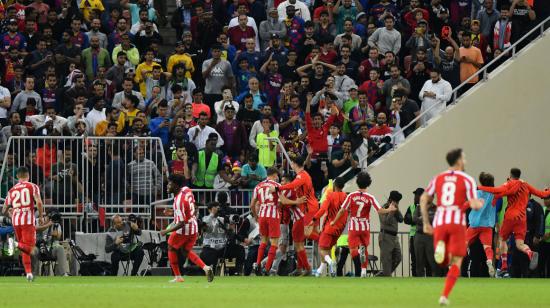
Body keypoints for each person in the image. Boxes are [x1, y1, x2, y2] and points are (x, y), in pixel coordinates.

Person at [420, 148, 484, 306]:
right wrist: (479, 203)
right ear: (458, 161)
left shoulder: (438, 178)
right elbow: (474, 204)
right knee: (456, 262)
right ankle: (444, 296)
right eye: (464, 158)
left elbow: (424, 198)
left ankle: (443, 254)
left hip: (440, 220)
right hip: (456, 221)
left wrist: (426, 223)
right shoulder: (467, 179)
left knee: (442, 261)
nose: (465, 161)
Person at [477, 168, 550, 277]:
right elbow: (542, 194)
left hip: (510, 217)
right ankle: (530, 253)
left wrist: (478, 187)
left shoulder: (509, 184)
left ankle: (504, 265)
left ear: (510, 176)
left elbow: (496, 190)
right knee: (520, 244)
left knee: (502, 239)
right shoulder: (526, 185)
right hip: (522, 218)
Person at [332, 172, 397, 277]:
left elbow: (342, 210)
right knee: (364, 248)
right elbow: (379, 210)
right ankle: (363, 271)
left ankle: (358, 270)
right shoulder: (370, 197)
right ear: (368, 184)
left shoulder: (351, 195)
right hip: (365, 227)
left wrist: (334, 221)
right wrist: (389, 209)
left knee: (353, 249)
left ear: (357, 183)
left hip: (353, 226)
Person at [160, 174, 214, 283]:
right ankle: (206, 268)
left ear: (175, 185)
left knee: (171, 246)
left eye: (169, 184)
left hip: (184, 228)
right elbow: (191, 207)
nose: (167, 186)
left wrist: (166, 231)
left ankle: (178, 276)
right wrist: (173, 212)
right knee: (185, 251)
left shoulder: (179, 201)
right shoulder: (186, 189)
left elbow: (181, 222)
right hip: (194, 226)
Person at [272, 155, 319, 275]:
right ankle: (302, 268)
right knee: (299, 242)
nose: (281, 182)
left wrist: (277, 189)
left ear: (294, 164)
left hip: (306, 211)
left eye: (283, 180)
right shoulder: (301, 177)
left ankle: (325, 238)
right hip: (304, 211)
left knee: (303, 237)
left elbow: (285, 198)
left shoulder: (301, 177)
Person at [2, 167, 44, 282]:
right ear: (28, 175)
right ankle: (14, 243)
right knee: (30, 248)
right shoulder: (32, 186)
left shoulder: (11, 190)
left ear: (17, 177)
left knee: (24, 249)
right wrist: (40, 216)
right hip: (28, 221)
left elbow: (4, 209)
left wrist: (10, 214)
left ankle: (29, 273)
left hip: (16, 221)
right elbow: (39, 202)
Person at [310, 177, 348, 277]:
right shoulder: (346, 196)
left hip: (330, 227)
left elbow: (322, 210)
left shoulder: (330, 195)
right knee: (327, 249)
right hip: (339, 229)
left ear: (334, 185)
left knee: (321, 249)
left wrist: (313, 219)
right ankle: (320, 271)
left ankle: (331, 262)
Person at [250, 168, 282, 275]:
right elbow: (282, 201)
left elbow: (252, 204)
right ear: (273, 175)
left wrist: (256, 217)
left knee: (263, 241)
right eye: (276, 175)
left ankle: (257, 264)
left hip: (262, 214)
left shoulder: (258, 186)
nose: (277, 177)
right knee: (274, 243)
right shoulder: (277, 185)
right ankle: (267, 269)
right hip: (273, 214)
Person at [466, 172, 498, 277]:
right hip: (487, 225)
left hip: (475, 224)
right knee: (487, 247)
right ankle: (489, 260)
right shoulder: (495, 194)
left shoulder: (476, 193)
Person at [378, 190, 404, 276]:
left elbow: (401, 219)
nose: (397, 203)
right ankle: (386, 275)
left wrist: (397, 209)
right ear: (391, 200)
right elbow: (386, 221)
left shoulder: (396, 208)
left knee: (398, 257)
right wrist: (391, 211)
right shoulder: (383, 208)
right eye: (396, 201)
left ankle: (384, 274)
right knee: (386, 260)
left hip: (394, 238)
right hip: (386, 236)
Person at [404, 188, 424, 277]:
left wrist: (413, 219)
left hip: (424, 236)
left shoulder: (426, 206)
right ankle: (415, 278)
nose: (415, 197)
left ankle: (429, 280)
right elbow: (406, 219)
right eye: (415, 195)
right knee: (414, 260)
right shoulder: (411, 207)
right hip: (413, 236)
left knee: (426, 260)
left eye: (417, 195)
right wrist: (416, 220)